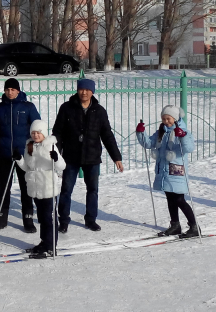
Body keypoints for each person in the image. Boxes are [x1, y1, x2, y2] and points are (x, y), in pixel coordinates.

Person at [52, 78, 124, 232]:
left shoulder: (99, 111)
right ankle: (63, 220)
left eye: (87, 90)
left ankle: (91, 219)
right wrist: (57, 152)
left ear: (92, 92)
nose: (84, 92)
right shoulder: (66, 108)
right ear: (77, 90)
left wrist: (116, 157)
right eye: (81, 89)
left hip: (92, 156)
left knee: (92, 190)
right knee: (66, 190)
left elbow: (107, 135)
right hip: (71, 156)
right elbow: (57, 132)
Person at [0, 78, 42, 232]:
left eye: (13, 89)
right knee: (4, 188)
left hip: (23, 155)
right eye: (7, 89)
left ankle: (28, 219)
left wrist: (34, 149)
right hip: (3, 155)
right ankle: (1, 219)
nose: (10, 92)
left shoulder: (28, 107)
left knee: (26, 188)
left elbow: (37, 129)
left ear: (18, 90)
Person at [136, 106, 199, 238]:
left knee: (179, 199)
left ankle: (194, 226)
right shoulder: (161, 132)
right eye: (163, 118)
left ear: (175, 118)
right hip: (164, 169)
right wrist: (141, 133)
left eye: (168, 118)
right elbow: (149, 144)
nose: (166, 121)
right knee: (170, 198)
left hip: (176, 169)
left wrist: (182, 136)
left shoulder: (183, 131)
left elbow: (188, 147)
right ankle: (175, 225)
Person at [14, 120, 64, 256]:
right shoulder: (29, 145)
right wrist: (19, 159)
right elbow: (27, 167)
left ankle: (51, 245)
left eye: (38, 133)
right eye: (33, 133)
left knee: (49, 218)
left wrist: (56, 159)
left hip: (48, 187)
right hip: (35, 187)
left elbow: (62, 166)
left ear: (44, 133)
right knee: (42, 218)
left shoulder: (50, 145)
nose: (36, 135)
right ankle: (44, 242)